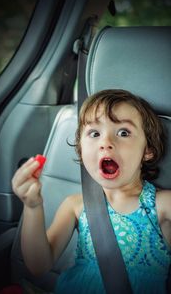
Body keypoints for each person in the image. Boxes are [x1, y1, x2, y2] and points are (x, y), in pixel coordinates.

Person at [12, 89, 171, 294]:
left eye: (123, 132)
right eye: (94, 134)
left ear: (147, 150)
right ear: (81, 149)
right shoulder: (75, 205)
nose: (106, 143)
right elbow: (38, 265)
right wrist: (32, 206)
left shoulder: (162, 205)